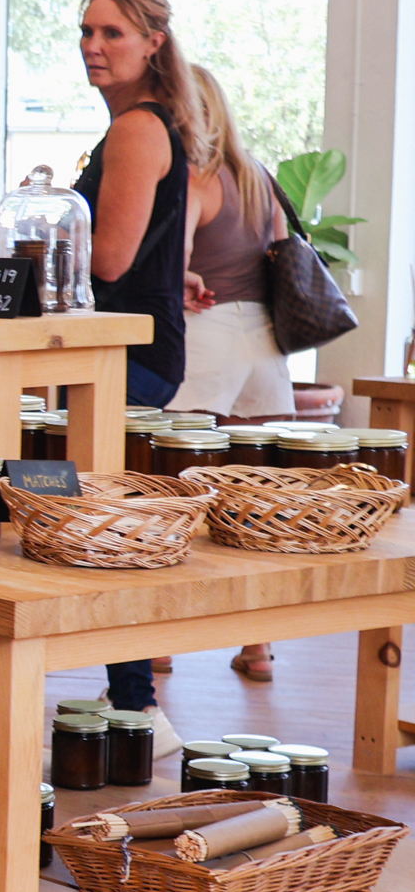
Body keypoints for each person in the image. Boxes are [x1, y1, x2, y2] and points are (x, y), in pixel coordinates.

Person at [72, 0, 208, 746]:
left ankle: (136, 708)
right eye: (86, 31)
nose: (93, 45)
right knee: (94, 517)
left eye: (111, 33)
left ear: (153, 42)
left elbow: (108, 260)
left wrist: (30, 245)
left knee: (89, 518)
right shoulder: (148, 126)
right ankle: (132, 704)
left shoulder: (135, 130)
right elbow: (161, 247)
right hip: (140, 353)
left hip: (122, 361)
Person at [174, 64, 293, 683]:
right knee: (256, 503)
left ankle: (158, 644)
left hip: (209, 337)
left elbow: (179, 263)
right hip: (266, 344)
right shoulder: (258, 178)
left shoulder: (196, 179)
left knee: (171, 490)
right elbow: (282, 260)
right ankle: (258, 647)